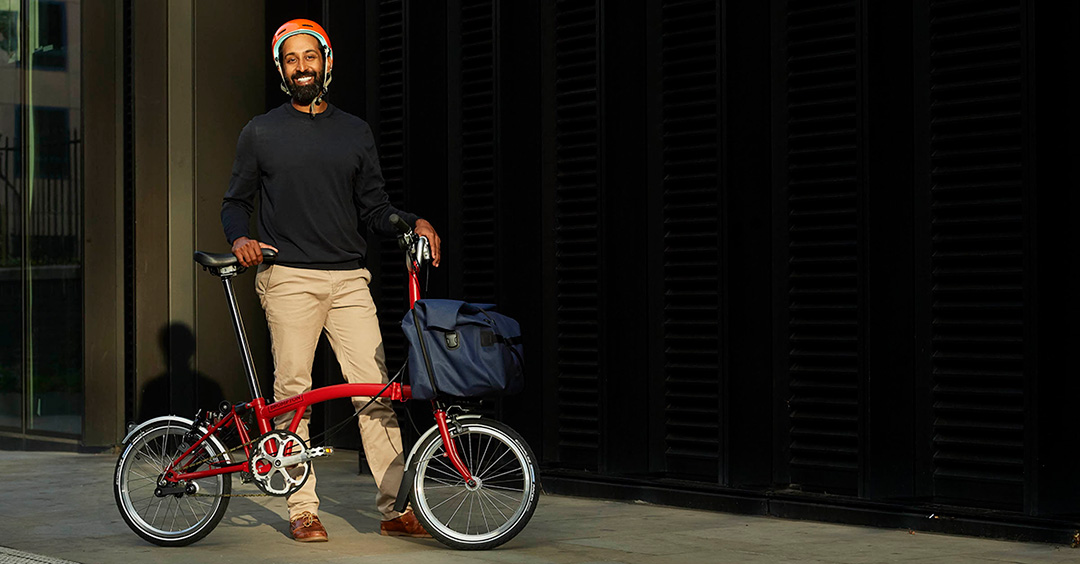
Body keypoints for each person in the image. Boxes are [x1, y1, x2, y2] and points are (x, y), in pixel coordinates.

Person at [221, 18, 441, 543]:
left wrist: (412, 222)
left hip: (348, 280)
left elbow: (374, 208)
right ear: (281, 69)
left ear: (327, 62)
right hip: (288, 277)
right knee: (293, 393)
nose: (302, 67)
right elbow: (235, 203)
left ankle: (395, 507)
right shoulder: (260, 131)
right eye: (291, 59)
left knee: (376, 391)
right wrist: (239, 240)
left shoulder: (355, 131)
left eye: (309, 57)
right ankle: (302, 509)